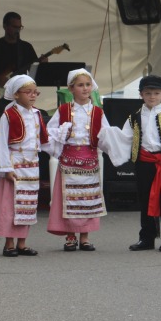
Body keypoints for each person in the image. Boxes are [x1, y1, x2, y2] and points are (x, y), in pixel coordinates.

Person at [99, 75, 161, 252]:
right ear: (141, 95)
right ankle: (147, 237)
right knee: (145, 200)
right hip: (143, 163)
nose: (152, 96)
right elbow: (124, 138)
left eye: (156, 93)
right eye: (148, 93)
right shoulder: (135, 118)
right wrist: (108, 134)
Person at [45, 69, 110, 252]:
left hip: (89, 160)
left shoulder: (98, 112)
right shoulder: (63, 110)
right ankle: (70, 236)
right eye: (80, 85)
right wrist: (61, 135)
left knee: (87, 199)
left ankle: (85, 237)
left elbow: (106, 134)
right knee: (70, 200)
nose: (85, 88)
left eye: (88, 85)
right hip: (69, 161)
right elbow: (50, 132)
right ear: (71, 88)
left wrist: (107, 140)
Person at [0, 75, 48, 257]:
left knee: (28, 204)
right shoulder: (8, 115)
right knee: (12, 204)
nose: (33, 95)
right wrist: (6, 168)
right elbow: (1, 143)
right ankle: (9, 243)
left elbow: (44, 140)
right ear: (16, 94)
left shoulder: (37, 114)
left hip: (32, 164)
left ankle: (22, 243)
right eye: (28, 92)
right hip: (15, 163)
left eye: (35, 92)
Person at [0, 12, 46, 97]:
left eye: (20, 27)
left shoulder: (26, 47)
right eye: (14, 27)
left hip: (20, 93)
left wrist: (42, 65)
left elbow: (34, 72)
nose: (17, 30)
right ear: (5, 26)